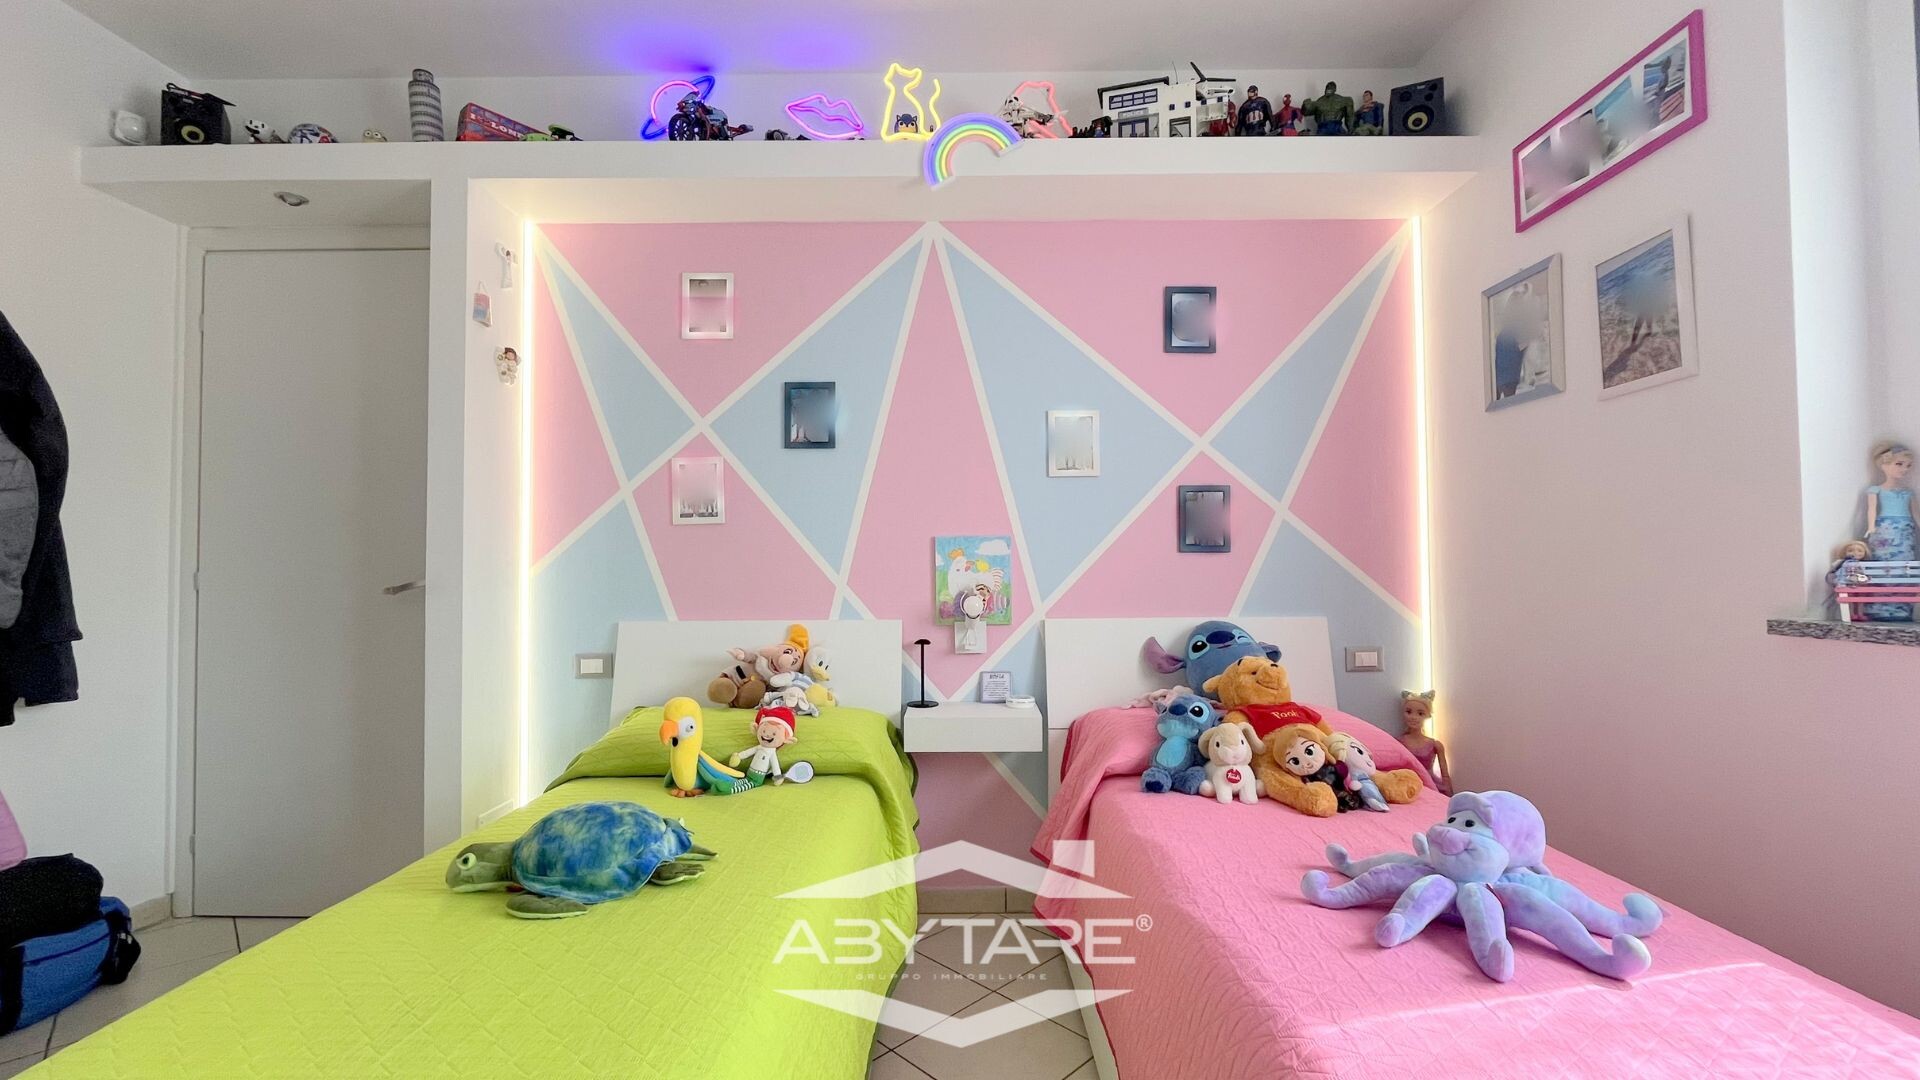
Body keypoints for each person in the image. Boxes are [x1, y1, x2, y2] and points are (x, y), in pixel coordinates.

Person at [1865, 441, 1917, 620]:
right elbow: (1871, 510)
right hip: (1884, 530)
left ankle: (1902, 608)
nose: (1904, 469)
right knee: (1882, 566)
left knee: (1904, 568)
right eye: (1899, 464)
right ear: (1884, 464)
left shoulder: (1908, 492)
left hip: (1906, 531)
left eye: (1908, 466)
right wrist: (1871, 527)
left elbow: (1916, 514)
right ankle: (1879, 608)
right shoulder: (1876, 490)